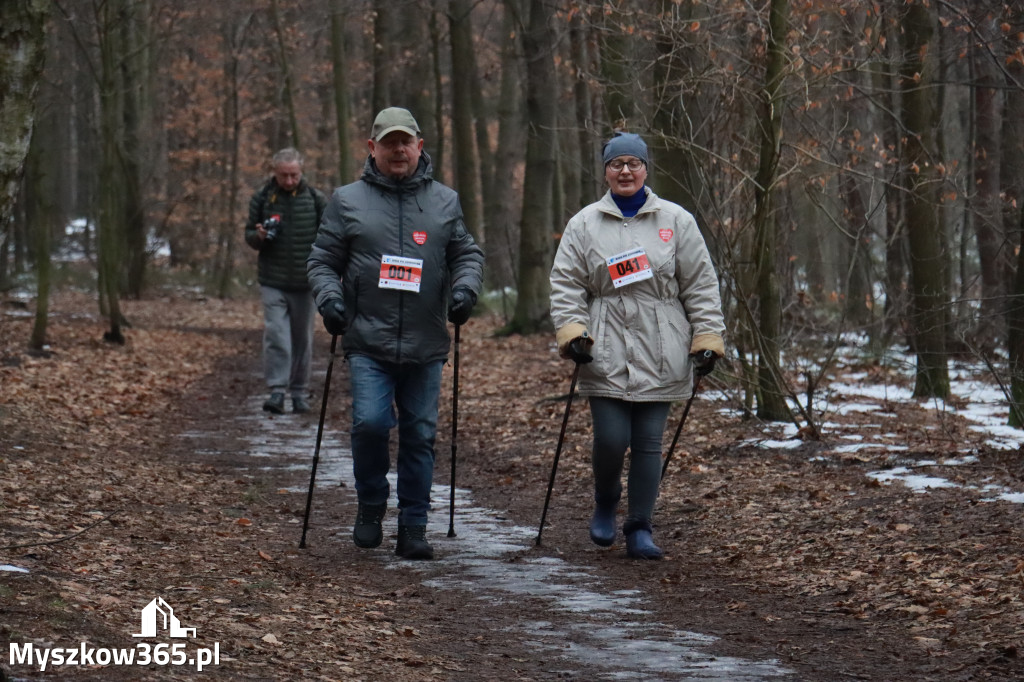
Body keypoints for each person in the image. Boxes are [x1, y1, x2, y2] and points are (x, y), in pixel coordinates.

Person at [307, 107, 484, 560]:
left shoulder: (445, 201)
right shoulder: (346, 201)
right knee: (369, 424)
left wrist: (464, 290)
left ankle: (413, 524)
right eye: (389, 142)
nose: (398, 149)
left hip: (426, 342)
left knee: (420, 433)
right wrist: (330, 300)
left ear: (420, 146)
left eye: (406, 141)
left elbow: (467, 253)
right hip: (367, 338)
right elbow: (322, 260)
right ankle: (370, 504)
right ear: (373, 148)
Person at [549, 132, 725, 560]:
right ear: (605, 170)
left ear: (646, 169)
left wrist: (707, 337)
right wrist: (574, 333)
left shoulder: (676, 221)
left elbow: (700, 284)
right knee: (611, 438)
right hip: (603, 344)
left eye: (633, 163)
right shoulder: (584, 223)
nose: (625, 171)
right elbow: (566, 284)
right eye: (616, 164)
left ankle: (640, 526)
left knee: (648, 443)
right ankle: (606, 500)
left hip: (662, 342)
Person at [245, 148, 327, 415]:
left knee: (302, 338)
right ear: (275, 172)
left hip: (305, 283)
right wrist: (258, 236)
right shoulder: (262, 198)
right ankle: (277, 390)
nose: (289, 180)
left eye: (294, 175)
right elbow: (249, 235)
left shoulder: (315, 199)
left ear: (301, 172)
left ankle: (299, 392)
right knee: (277, 335)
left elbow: (329, 237)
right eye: (284, 175)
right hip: (273, 280)